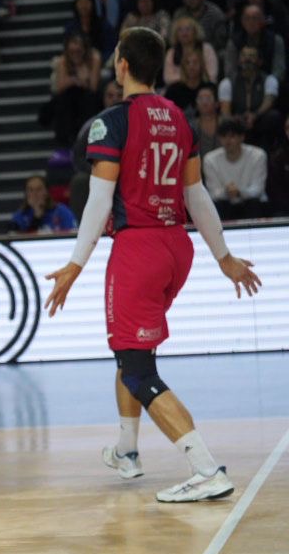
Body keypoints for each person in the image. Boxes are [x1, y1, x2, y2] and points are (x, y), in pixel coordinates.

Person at [47, 27, 260, 502]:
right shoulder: (178, 118)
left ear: (122, 65)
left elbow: (99, 199)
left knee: (139, 369)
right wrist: (222, 257)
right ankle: (126, 449)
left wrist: (74, 265)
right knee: (131, 352)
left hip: (138, 248)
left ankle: (205, 468)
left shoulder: (110, 122)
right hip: (175, 247)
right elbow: (196, 194)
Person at [204, 117, 270, 218]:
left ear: (242, 137)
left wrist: (239, 192)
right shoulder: (210, 159)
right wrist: (227, 192)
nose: (227, 140)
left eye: (232, 136)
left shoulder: (258, 155)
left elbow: (258, 189)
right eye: (223, 136)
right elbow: (213, 193)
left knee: (253, 204)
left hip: (253, 205)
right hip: (224, 206)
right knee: (217, 206)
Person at [219, 45, 282, 149]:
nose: (247, 59)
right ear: (239, 60)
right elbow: (225, 110)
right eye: (244, 55)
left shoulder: (269, 79)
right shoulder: (227, 82)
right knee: (223, 121)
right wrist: (235, 118)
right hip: (238, 121)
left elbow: (269, 101)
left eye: (252, 56)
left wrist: (255, 115)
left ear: (259, 61)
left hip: (259, 120)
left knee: (273, 116)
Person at [47, 32, 103, 147]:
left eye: (78, 51)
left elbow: (93, 86)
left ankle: (88, 139)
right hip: (70, 98)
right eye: (72, 52)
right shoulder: (62, 61)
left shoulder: (94, 57)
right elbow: (60, 87)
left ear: (85, 49)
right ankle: (65, 141)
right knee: (62, 101)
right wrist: (75, 80)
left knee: (89, 99)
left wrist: (79, 76)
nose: (75, 54)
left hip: (89, 98)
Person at [11, 174, 78, 234]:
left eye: (39, 189)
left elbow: (72, 233)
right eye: (30, 190)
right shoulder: (20, 215)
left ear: (47, 192)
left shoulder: (61, 211)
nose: (35, 194)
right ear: (26, 193)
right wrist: (37, 215)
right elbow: (15, 238)